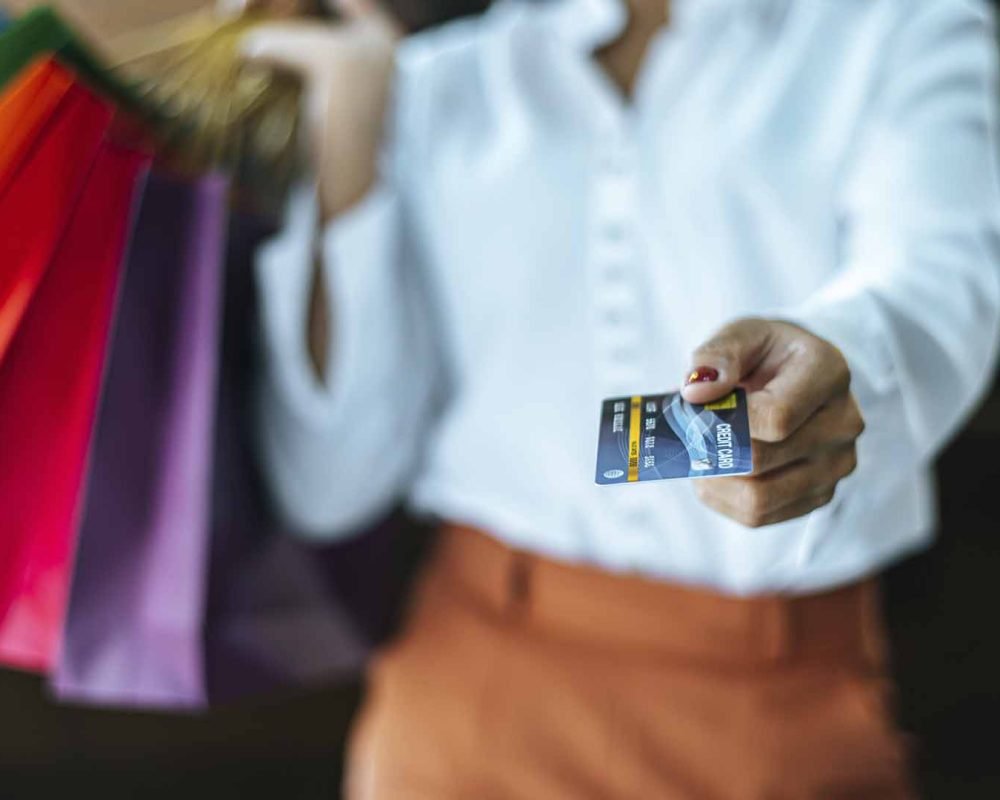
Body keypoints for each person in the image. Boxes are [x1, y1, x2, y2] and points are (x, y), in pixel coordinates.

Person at [246, 0, 1000, 796]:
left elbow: (942, 285)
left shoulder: (902, 28)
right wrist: (346, 148)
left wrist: (841, 366)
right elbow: (327, 488)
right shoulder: (438, 83)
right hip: (468, 699)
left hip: (771, 716)